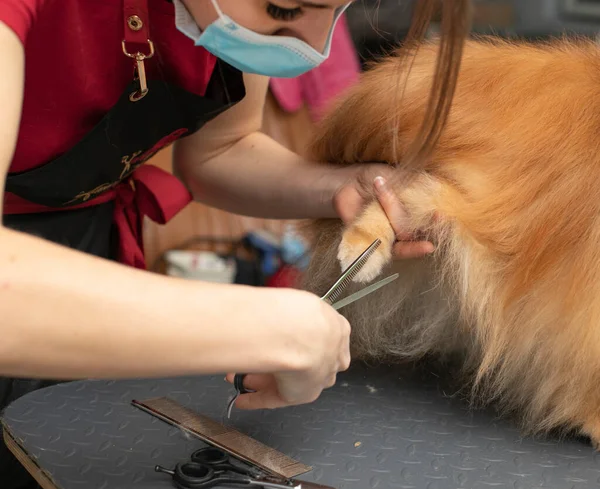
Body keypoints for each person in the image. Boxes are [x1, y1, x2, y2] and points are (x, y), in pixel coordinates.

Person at [0, 0, 471, 487]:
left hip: (91, 243)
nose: (314, 46)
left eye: (337, 10)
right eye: (283, 8)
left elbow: (221, 151)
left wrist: (342, 187)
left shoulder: (221, 14)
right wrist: (253, 324)